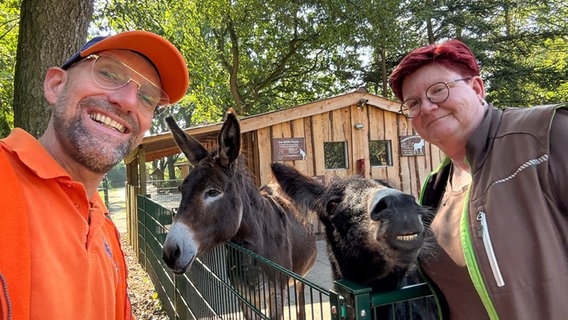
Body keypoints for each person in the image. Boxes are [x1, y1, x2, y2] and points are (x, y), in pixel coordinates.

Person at [0, 30, 189, 319]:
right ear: (56, 85)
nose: (127, 100)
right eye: (109, 73)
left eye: (147, 97)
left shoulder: (106, 232)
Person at [389, 39, 568, 319]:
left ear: (476, 88)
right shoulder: (435, 188)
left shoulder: (545, 136)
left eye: (438, 90)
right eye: (412, 103)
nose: (426, 107)